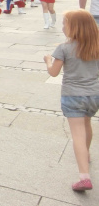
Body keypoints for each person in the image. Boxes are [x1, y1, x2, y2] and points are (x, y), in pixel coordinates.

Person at [44, 10, 99, 192]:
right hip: (94, 95)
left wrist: (47, 61)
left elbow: (53, 73)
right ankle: (86, 154)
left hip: (73, 95)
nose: (62, 27)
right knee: (87, 124)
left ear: (74, 27)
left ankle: (84, 177)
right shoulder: (96, 45)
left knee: (77, 135)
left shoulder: (64, 48)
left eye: (64, 24)